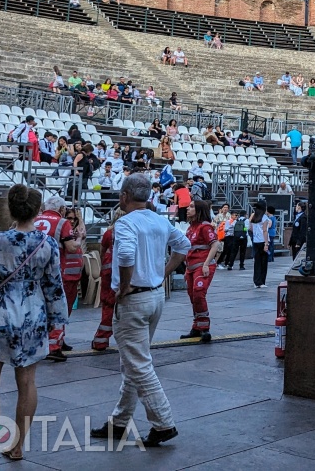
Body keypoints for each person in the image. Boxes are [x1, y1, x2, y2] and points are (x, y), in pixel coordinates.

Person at [0, 185, 68, 470]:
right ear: (37, 210)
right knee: (28, 382)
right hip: (32, 313)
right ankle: (17, 446)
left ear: (10, 209)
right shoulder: (48, 243)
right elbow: (54, 286)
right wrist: (58, 320)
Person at [90, 173, 189, 447]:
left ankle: (163, 422)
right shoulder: (160, 220)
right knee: (133, 362)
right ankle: (119, 423)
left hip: (134, 299)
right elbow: (184, 246)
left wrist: (124, 286)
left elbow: (125, 256)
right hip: (155, 296)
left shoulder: (125, 223)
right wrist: (163, 272)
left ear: (124, 196)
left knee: (139, 364)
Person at [34, 196, 82, 361]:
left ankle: (40, 342)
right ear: (61, 210)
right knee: (58, 308)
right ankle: (54, 346)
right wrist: (80, 238)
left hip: (33, 272)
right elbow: (71, 247)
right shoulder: (62, 223)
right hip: (54, 271)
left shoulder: (34, 220)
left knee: (38, 308)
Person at [181, 201, 221, 342]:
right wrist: (187, 269)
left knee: (198, 293)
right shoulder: (190, 228)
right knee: (193, 296)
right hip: (191, 267)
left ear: (199, 210)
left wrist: (206, 264)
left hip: (202, 266)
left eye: (191, 206)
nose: (187, 208)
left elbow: (215, 244)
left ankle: (204, 327)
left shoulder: (205, 227)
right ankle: (197, 326)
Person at [90, 208, 124, 352]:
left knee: (108, 305)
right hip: (125, 273)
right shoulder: (131, 232)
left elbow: (103, 251)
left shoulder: (109, 233)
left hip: (108, 273)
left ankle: (101, 340)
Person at [249, 202, 273, 288]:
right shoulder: (264, 217)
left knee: (257, 262)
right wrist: (266, 243)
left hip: (256, 241)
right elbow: (265, 231)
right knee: (263, 262)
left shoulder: (254, 216)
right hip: (263, 241)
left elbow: (250, 228)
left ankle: (256, 281)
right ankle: (261, 282)